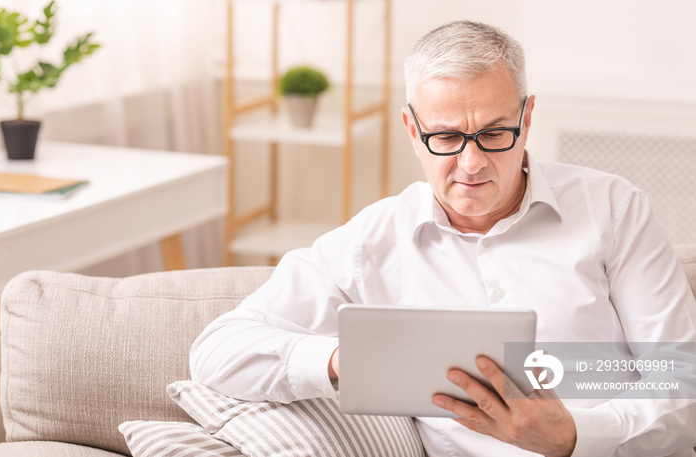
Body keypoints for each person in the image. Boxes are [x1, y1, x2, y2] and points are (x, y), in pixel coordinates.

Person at [190, 20, 696, 456]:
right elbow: (217, 350)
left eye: (495, 133)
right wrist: (345, 361)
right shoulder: (375, 239)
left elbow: (684, 378)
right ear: (412, 130)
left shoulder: (612, 206)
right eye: (447, 138)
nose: (471, 164)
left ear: (527, 117)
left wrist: (575, 436)